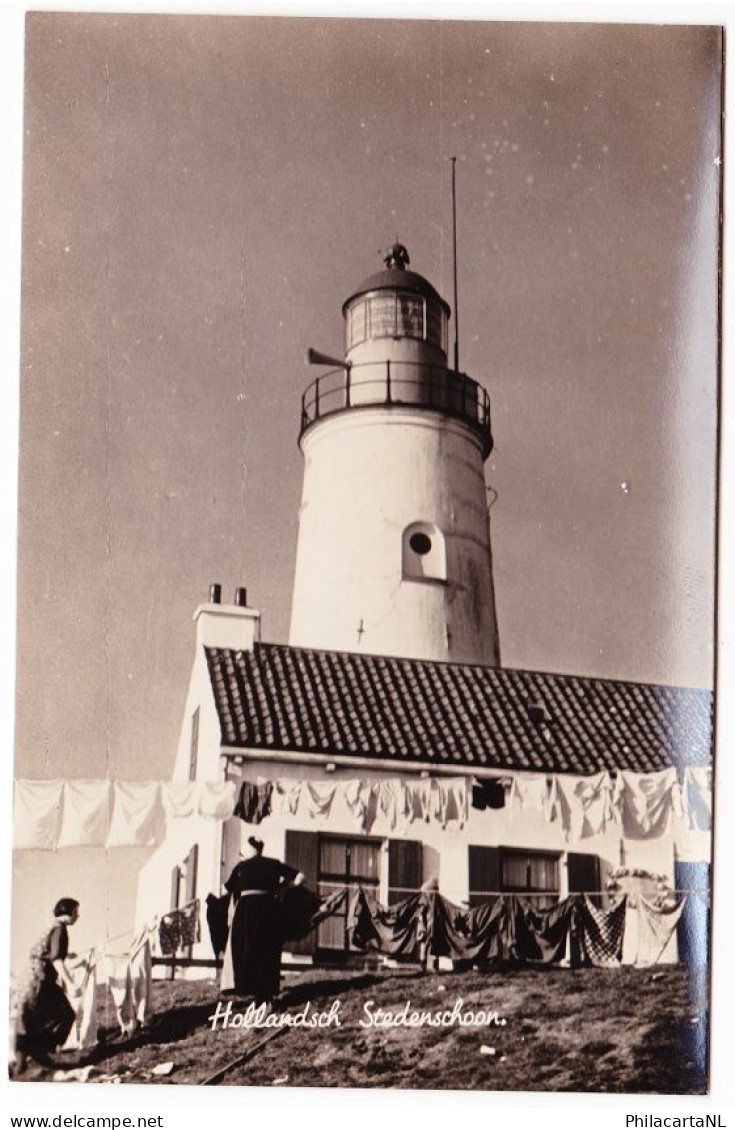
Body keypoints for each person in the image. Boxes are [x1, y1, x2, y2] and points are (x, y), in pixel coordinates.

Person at [224, 837, 303, 1005]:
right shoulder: (274, 864)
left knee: (247, 948)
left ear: (251, 850)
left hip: (246, 912)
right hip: (269, 910)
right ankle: (266, 994)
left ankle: (251, 991)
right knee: (269, 949)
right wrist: (284, 888)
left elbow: (226, 890)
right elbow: (300, 877)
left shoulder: (241, 867)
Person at [16, 898, 81, 1068]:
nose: (77, 916)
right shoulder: (60, 929)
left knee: (29, 1020)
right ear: (66, 912)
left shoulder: (52, 926)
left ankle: (25, 1063)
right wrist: (71, 983)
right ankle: (41, 1049)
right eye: (75, 912)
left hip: (29, 979)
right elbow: (56, 959)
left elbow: (48, 952)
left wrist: (67, 954)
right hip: (40, 979)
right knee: (66, 1015)